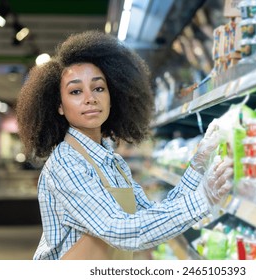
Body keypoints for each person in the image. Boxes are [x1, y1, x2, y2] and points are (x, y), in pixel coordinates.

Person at [16, 30, 233, 260]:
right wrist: (202, 200)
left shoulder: (113, 163)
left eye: (99, 88)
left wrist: (197, 166)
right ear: (59, 105)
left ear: (113, 95)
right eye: (76, 91)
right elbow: (120, 230)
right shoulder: (66, 164)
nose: (90, 98)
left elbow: (148, 216)